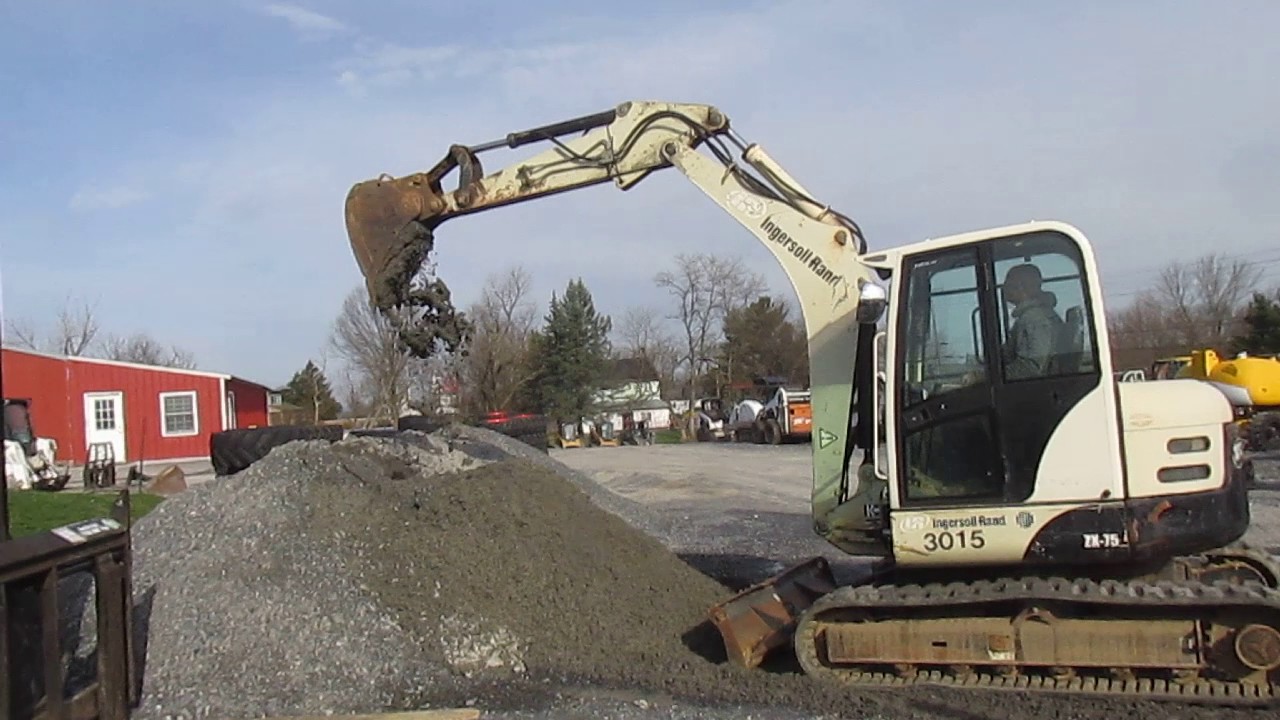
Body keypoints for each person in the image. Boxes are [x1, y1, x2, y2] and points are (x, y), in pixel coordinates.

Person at [1001, 263, 1065, 380]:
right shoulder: (1028, 316)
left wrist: (991, 376)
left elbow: (1032, 368)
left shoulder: (1034, 319)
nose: (1004, 288)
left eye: (1008, 284)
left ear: (1021, 286)